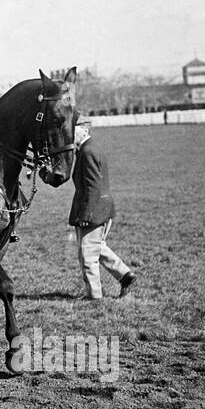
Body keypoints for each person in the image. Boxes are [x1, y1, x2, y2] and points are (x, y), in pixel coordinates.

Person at [69, 122, 137, 299]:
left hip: (95, 209)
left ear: (84, 129)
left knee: (87, 253)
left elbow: (93, 186)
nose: (69, 132)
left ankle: (94, 296)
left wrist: (87, 215)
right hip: (101, 207)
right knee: (97, 247)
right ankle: (125, 275)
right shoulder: (88, 148)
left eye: (73, 128)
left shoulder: (88, 151)